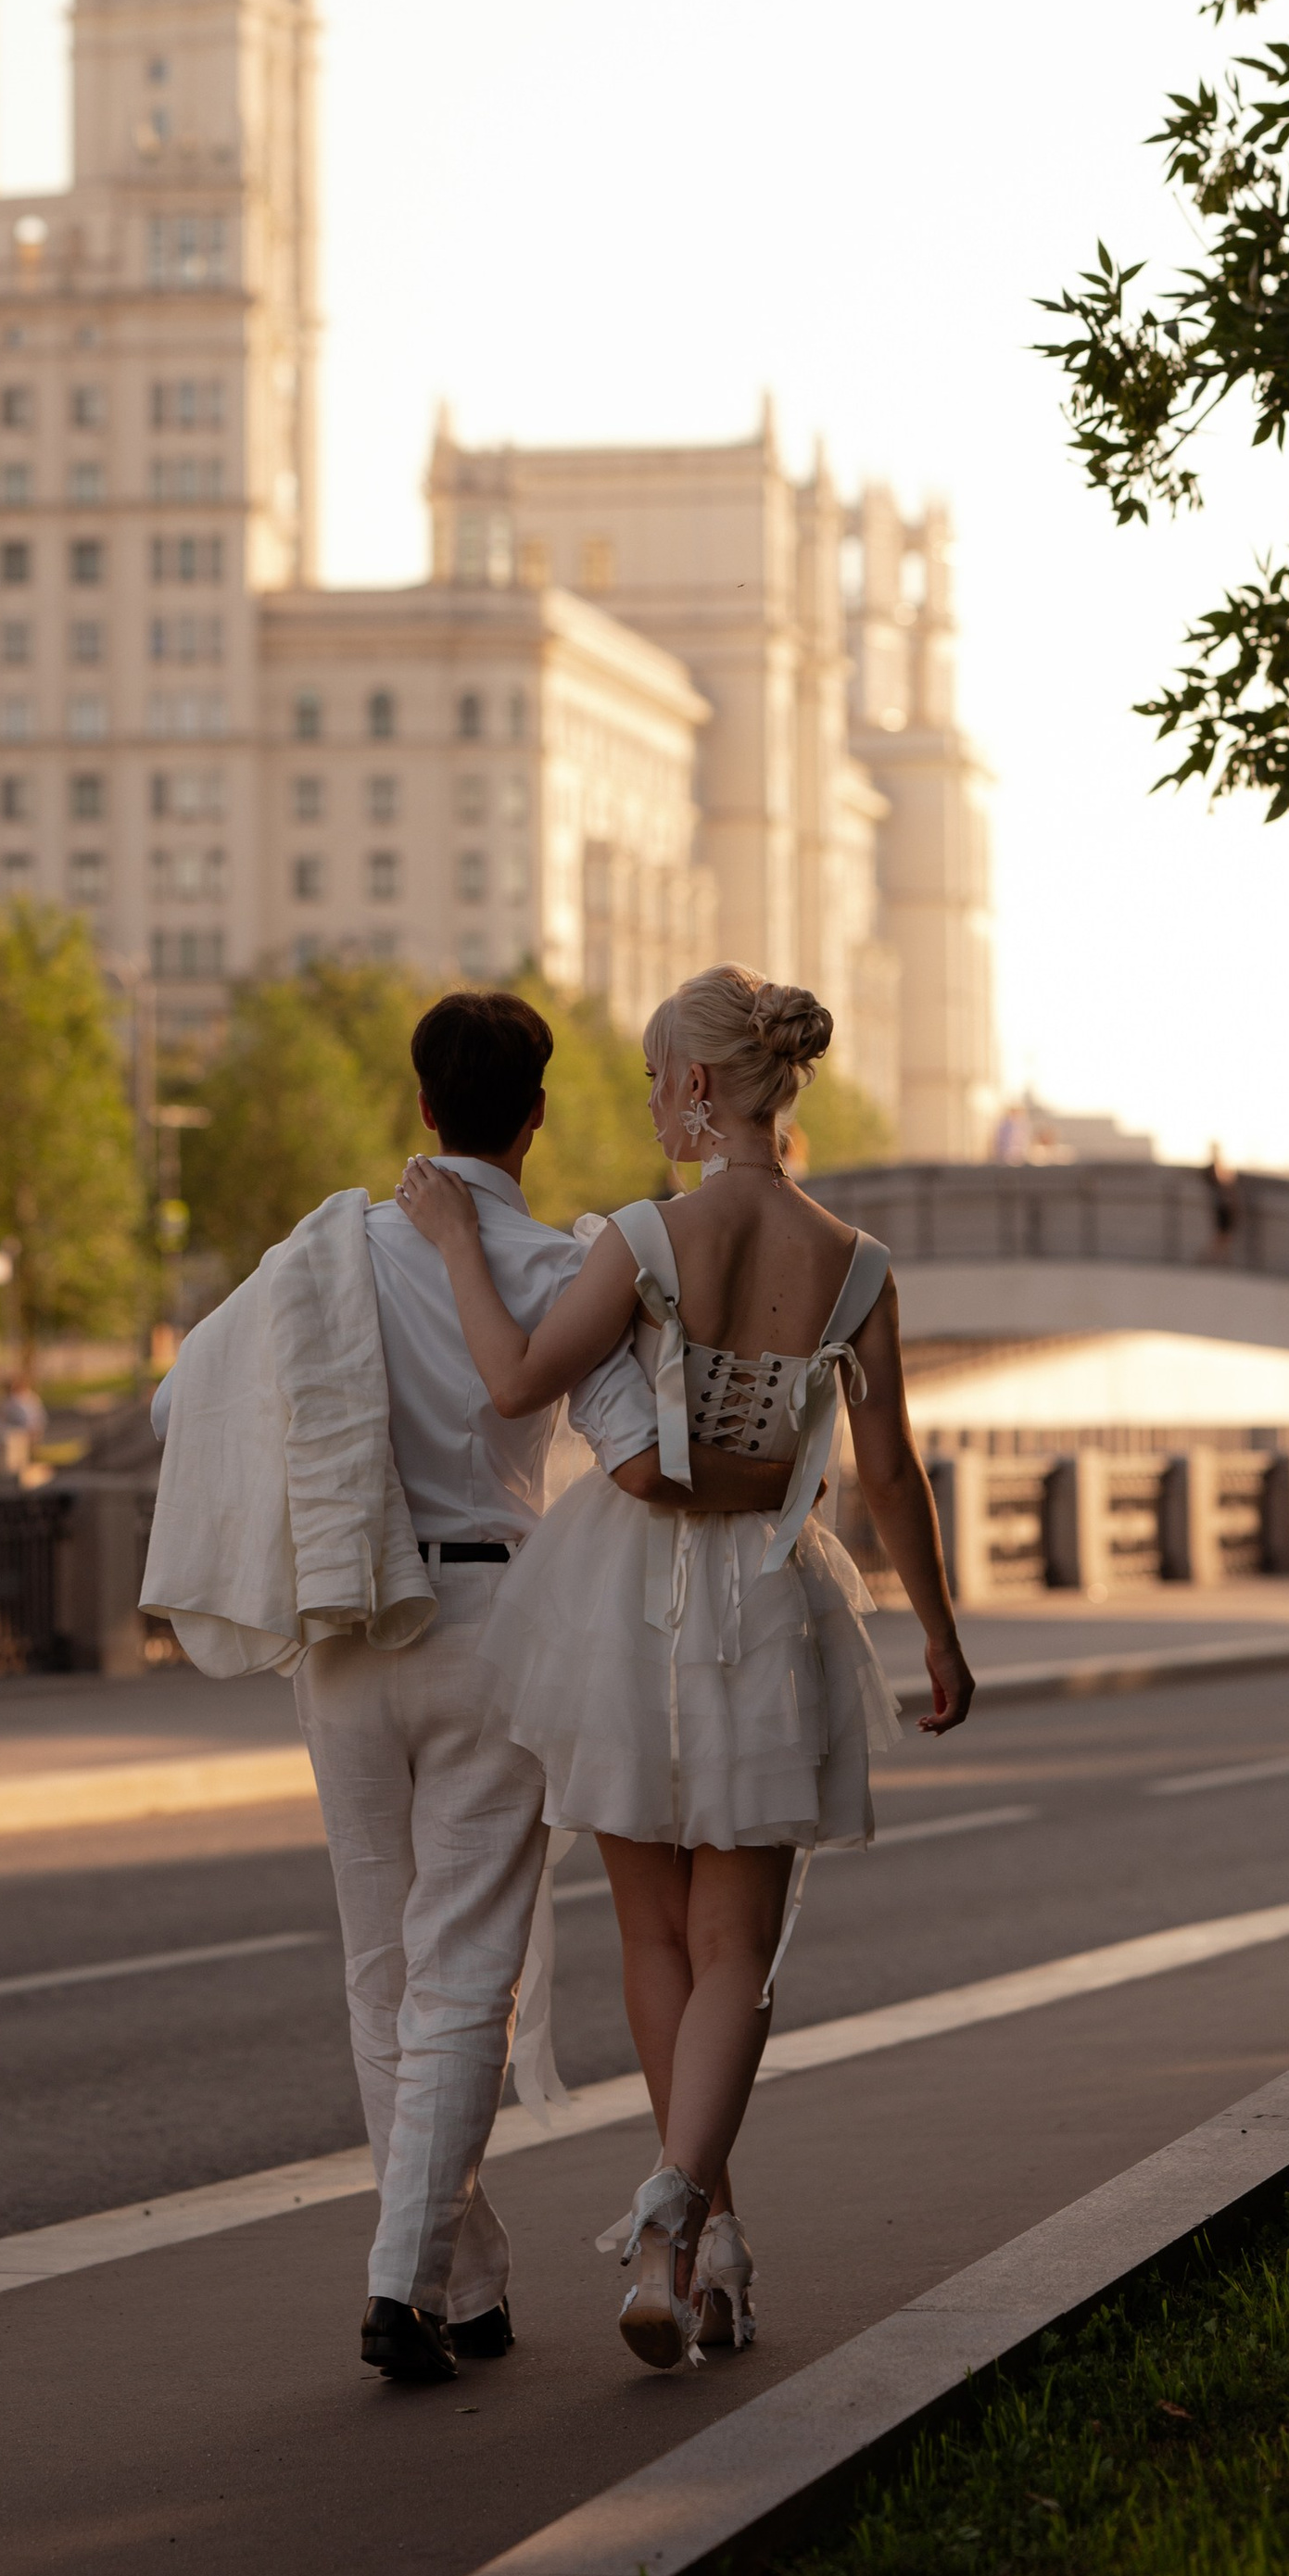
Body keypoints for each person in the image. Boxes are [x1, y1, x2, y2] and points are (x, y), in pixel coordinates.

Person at [397, 963, 973, 2370]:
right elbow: (889, 1468)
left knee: (653, 1937)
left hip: (623, 1603)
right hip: (768, 1600)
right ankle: (683, 2222)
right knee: (740, 1955)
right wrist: (940, 1636)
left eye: (662, 1078)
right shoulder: (860, 1262)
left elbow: (520, 1379)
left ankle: (690, 2225)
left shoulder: (646, 1238)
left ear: (703, 1089)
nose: (655, 1101)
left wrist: (460, 1239)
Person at [251, 988, 800, 2391]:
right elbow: (639, 1453)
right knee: (465, 1971)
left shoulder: (332, 1249)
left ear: (423, 1109)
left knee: (384, 1968)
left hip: (346, 1626)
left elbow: (186, 1412)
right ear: (537, 1115)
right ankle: (407, 2277)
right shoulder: (570, 1265)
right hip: (492, 1620)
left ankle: (457, 2276)